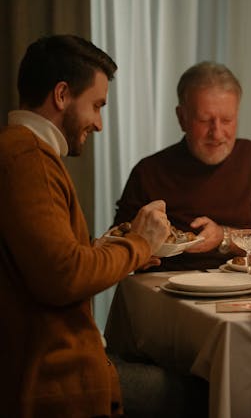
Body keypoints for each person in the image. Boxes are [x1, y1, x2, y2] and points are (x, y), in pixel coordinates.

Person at [0, 35, 170, 417]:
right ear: (62, 95)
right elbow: (64, 277)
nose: (98, 123)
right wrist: (139, 244)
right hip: (56, 382)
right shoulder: (28, 158)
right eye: (97, 105)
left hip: (55, 368)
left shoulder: (24, 151)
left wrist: (114, 248)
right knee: (200, 392)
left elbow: (50, 260)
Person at [113, 61, 251, 271]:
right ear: (182, 118)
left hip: (241, 284)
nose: (216, 133)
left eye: (226, 120)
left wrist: (223, 237)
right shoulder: (149, 172)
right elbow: (118, 244)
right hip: (168, 289)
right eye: (204, 120)